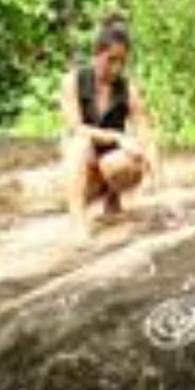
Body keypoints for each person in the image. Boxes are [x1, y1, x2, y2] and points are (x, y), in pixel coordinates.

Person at [60, 16, 158, 234]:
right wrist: (116, 137)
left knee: (126, 160)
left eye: (122, 62)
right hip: (82, 163)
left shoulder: (127, 89)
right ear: (97, 54)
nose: (116, 68)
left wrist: (156, 176)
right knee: (80, 144)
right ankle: (77, 219)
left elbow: (145, 132)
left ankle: (112, 202)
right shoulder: (73, 81)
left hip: (110, 162)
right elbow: (75, 127)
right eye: (111, 60)